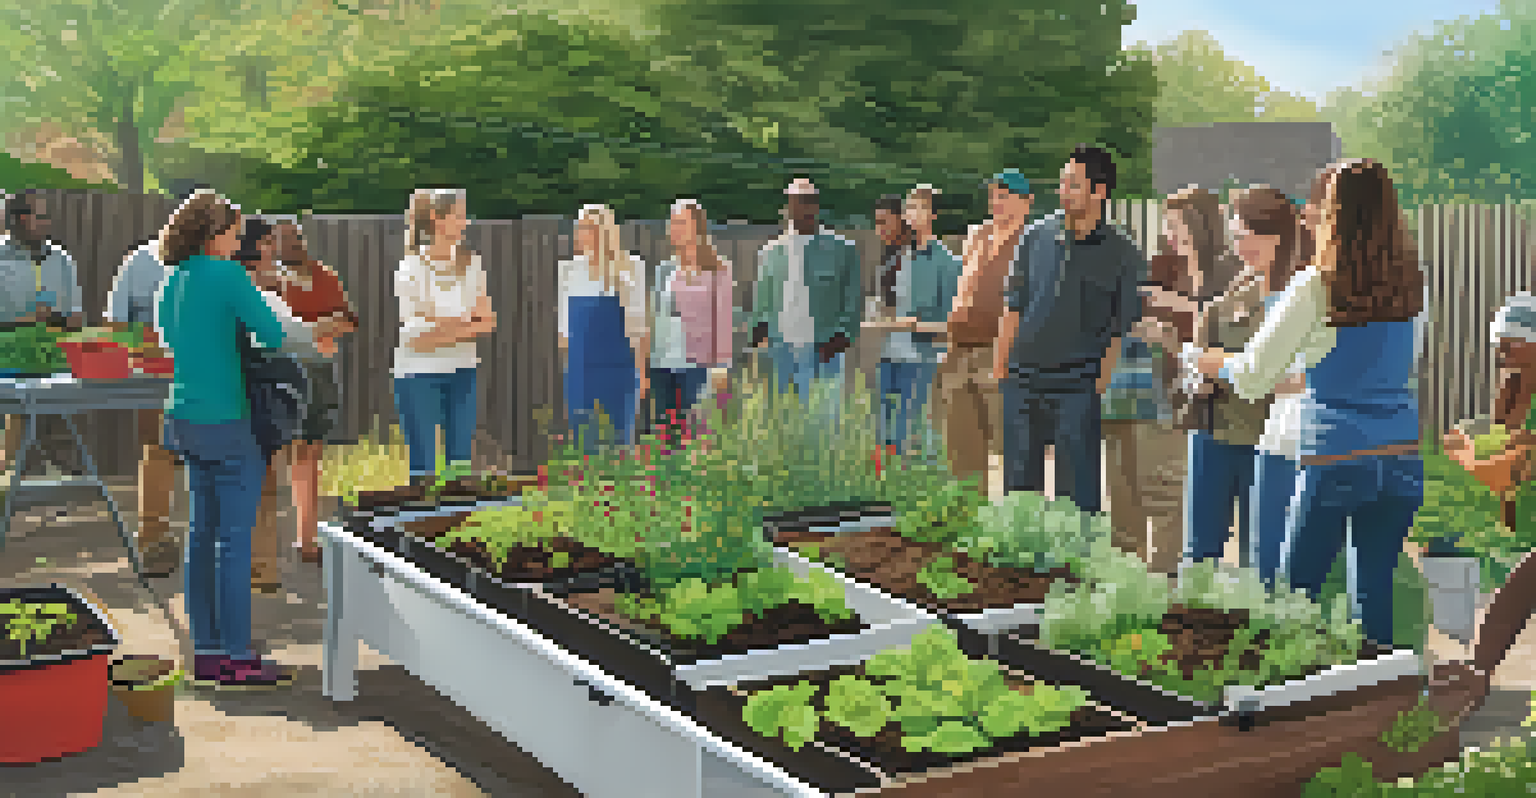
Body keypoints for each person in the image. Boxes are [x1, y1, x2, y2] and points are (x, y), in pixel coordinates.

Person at [1194, 159, 1426, 646]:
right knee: (1372, 594)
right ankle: (1382, 704)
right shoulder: (1410, 284)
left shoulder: (1316, 284)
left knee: (1293, 600)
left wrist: (1212, 361)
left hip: (1337, 456)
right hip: (1402, 456)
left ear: (1337, 214)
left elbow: (1255, 377)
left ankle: (1287, 711)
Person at [156, 189, 327, 688]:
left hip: (183, 418)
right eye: (234, 232)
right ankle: (237, 656)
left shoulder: (176, 278)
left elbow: (171, 336)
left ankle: (206, 651)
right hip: (228, 421)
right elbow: (272, 335)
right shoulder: (227, 274)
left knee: (201, 536)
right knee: (233, 543)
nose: (239, 241)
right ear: (215, 234)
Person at [995, 146, 1143, 513]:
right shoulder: (1035, 236)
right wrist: (1001, 369)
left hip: (1079, 387)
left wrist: (1097, 387)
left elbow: (1119, 329)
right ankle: (1021, 566)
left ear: (1099, 191)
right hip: (1022, 381)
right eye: (1062, 183)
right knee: (1018, 495)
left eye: (1073, 185)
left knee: (1076, 499)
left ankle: (1075, 568)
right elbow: (1013, 306)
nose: (1063, 191)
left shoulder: (1122, 252)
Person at [1111, 186, 1239, 575]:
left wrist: (1176, 311)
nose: (1170, 233)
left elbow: (1225, 327)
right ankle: (1129, 571)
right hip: (1156, 383)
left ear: (1200, 225)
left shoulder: (1229, 271)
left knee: (1169, 489)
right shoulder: (1164, 265)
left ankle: (1166, 574)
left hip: (1201, 394)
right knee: (1130, 483)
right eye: (1168, 225)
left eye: (1177, 225)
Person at [105, 186, 203, 578]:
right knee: (158, 449)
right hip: (154, 378)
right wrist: (149, 340)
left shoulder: (217, 266)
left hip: (205, 376)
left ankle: (206, 540)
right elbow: (115, 324)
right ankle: (154, 539)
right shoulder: (141, 262)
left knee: (206, 454)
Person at [939, 170, 1031, 497]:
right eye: (993, 195)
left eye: (1005, 195)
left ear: (1026, 202)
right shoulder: (976, 235)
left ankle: (1017, 527)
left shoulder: (1033, 240)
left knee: (1013, 450)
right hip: (960, 350)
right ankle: (968, 528)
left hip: (1003, 352)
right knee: (961, 453)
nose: (996, 201)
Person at [393, 189, 496, 483]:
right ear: (437, 219)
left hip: (463, 370)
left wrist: (441, 325)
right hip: (418, 374)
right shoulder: (411, 267)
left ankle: (455, 525)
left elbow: (488, 321)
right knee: (424, 465)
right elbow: (415, 337)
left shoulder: (471, 264)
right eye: (459, 216)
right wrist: (466, 324)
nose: (465, 222)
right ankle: (420, 524)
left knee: (460, 464)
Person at [750, 178, 861, 415]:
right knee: (779, 421)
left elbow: (852, 302)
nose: (805, 207)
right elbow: (762, 301)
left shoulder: (842, 250)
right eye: (799, 201)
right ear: (788, 206)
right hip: (780, 349)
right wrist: (759, 337)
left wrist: (841, 338)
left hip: (824, 349)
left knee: (823, 424)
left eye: (810, 201)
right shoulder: (770, 252)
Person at [0, 190, 87, 478]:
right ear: (21, 219)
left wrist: (60, 318)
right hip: (8, 361)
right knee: (15, 422)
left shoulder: (60, 259)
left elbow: (76, 315)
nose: (48, 222)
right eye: (41, 216)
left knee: (49, 425)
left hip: (53, 362)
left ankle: (43, 480)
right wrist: (21, 319)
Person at [874, 185, 960, 455]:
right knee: (883, 431)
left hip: (922, 356)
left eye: (920, 208)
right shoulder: (897, 257)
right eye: (909, 208)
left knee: (913, 432)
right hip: (890, 353)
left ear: (933, 215)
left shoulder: (947, 263)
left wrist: (920, 322)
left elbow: (950, 318)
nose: (912, 214)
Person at [560, 204, 648, 449]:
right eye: (579, 227)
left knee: (618, 440)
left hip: (619, 369)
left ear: (604, 231)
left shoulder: (630, 267)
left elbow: (638, 326)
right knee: (583, 439)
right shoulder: (569, 270)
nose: (581, 233)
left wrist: (641, 373)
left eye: (588, 227)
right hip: (581, 370)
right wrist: (570, 372)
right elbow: (564, 331)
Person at [649, 200, 733, 435]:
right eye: (672, 223)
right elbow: (657, 315)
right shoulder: (664, 270)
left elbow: (724, 322)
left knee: (696, 434)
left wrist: (721, 367)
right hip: (662, 364)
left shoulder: (717, 270)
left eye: (681, 222)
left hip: (698, 365)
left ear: (697, 227)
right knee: (665, 434)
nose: (674, 228)